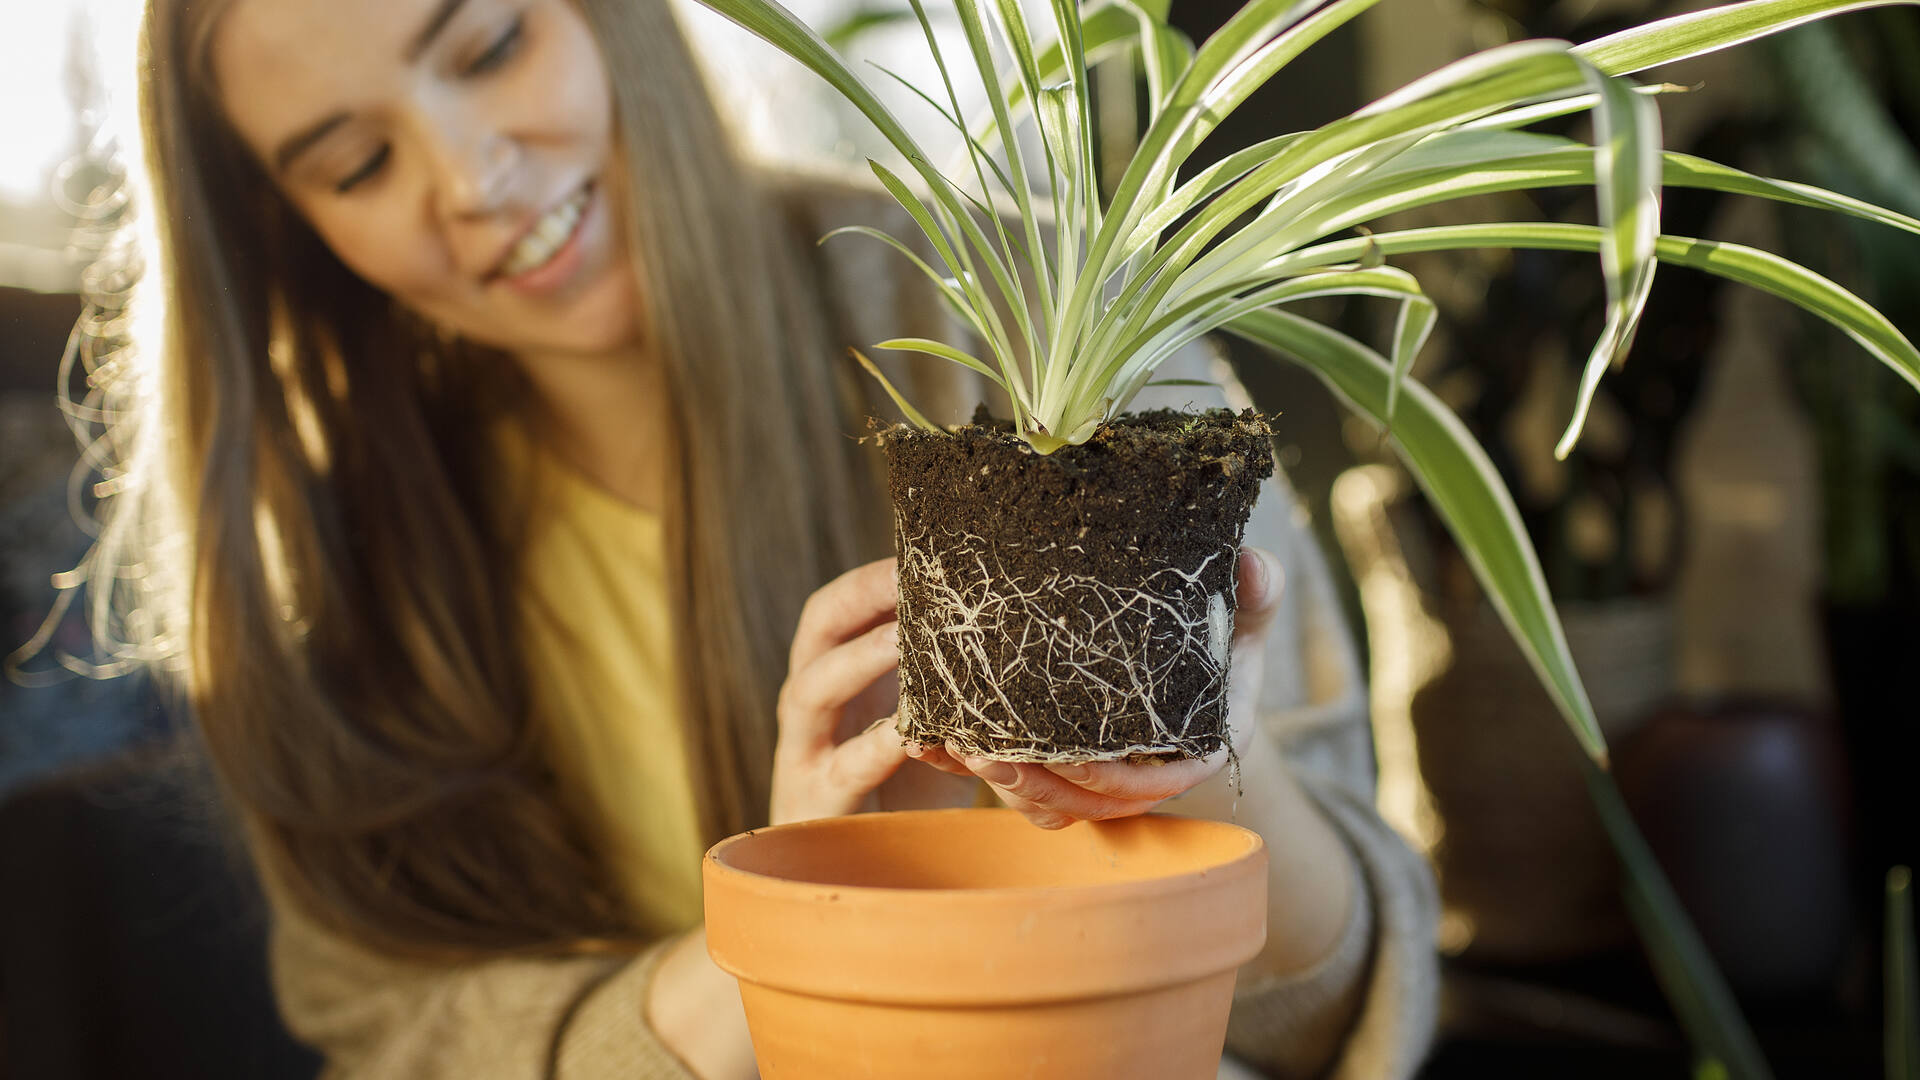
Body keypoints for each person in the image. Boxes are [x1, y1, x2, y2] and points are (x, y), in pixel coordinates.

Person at [82, 0, 1439, 1074]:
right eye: (358, 162)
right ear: (288, 232)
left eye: (491, 46)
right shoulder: (338, 569)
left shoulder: (1055, 342)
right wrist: (801, 922)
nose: (475, 177)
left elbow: (1348, 1014)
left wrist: (1203, 763)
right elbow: (402, 1042)